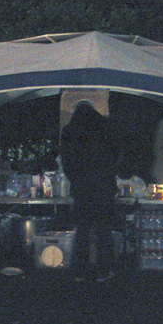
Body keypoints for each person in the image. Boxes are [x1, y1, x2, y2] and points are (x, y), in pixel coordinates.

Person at [60, 101, 118, 283]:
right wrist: (108, 174)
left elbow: (66, 161)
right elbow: (117, 154)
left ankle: (80, 271)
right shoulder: (107, 127)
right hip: (103, 186)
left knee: (82, 230)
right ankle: (104, 270)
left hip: (82, 187)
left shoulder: (70, 131)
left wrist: (76, 179)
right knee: (103, 230)